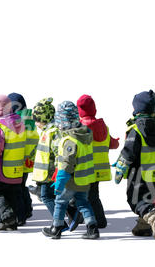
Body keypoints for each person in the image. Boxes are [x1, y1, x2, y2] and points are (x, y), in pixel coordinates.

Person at [113, 90, 155, 240]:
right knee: (149, 197)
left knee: (135, 199)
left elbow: (128, 152)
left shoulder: (135, 129)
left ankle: (154, 218)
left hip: (139, 171)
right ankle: (144, 227)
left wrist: (121, 169)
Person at [42, 101, 99, 240]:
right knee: (83, 203)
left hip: (70, 180)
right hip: (85, 179)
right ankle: (92, 227)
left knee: (60, 202)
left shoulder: (69, 140)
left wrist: (60, 181)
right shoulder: (85, 136)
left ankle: (56, 227)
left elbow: (67, 164)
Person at [75, 94, 120, 229]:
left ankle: (90, 219)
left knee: (79, 196)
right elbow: (113, 145)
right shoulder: (103, 127)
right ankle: (98, 219)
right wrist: (116, 141)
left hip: (85, 169)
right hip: (100, 170)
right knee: (94, 196)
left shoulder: (79, 128)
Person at [0, 95, 26, 231]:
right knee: (12, 195)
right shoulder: (20, 123)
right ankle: (12, 221)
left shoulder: (0, 126)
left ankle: (6, 217)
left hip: (2, 170)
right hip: (17, 169)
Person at [8, 92, 38, 225]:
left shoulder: (15, 121)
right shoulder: (30, 120)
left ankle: (20, 216)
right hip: (28, 161)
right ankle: (27, 209)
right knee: (22, 186)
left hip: (16, 160)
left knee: (16, 190)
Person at [31, 98, 58, 215]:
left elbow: (57, 152)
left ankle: (59, 223)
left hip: (50, 174)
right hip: (46, 174)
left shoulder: (52, 132)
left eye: (37, 120)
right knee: (54, 197)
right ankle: (72, 215)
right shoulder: (46, 131)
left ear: (43, 119)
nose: (36, 123)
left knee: (46, 197)